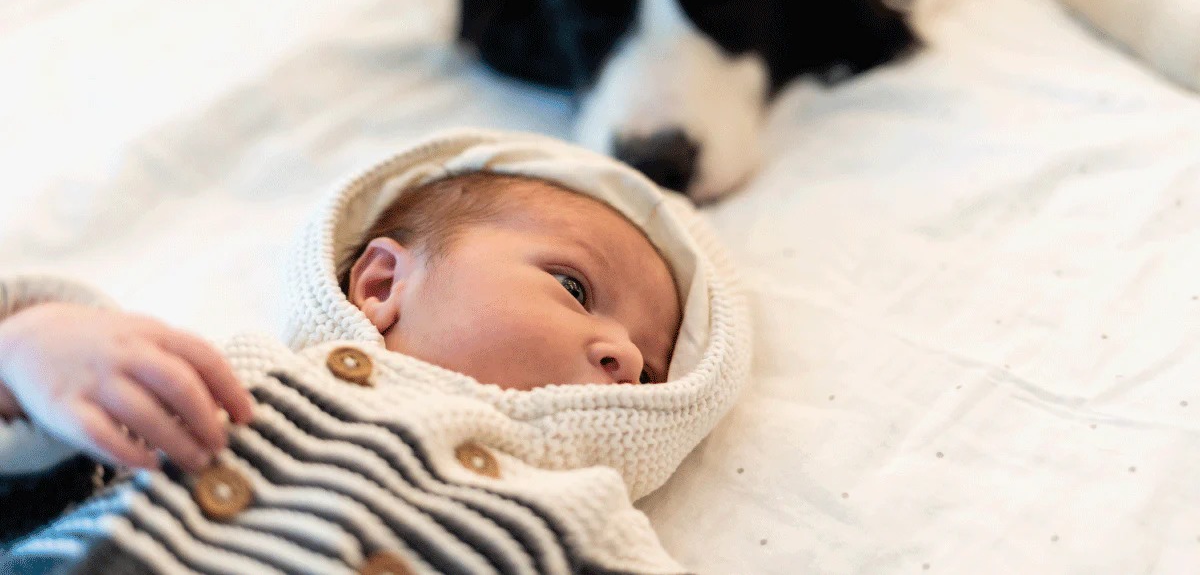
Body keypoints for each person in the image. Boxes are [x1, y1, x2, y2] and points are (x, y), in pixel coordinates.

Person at [0, 129, 750, 574]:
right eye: (575, 286)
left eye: (651, 366)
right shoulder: (237, 381)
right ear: (383, 281)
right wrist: (31, 357)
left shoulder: (583, 515)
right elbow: (50, 481)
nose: (622, 353)